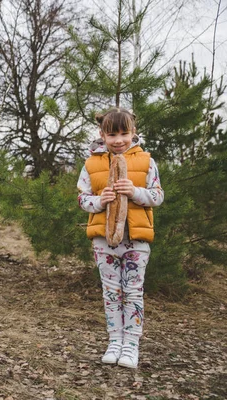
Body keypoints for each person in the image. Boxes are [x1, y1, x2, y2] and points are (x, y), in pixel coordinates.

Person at [77, 107, 164, 369]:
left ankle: (131, 345)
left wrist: (136, 192)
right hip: (104, 241)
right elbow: (82, 198)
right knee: (111, 292)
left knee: (133, 292)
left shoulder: (146, 161)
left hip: (136, 241)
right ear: (102, 134)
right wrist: (99, 201)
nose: (118, 140)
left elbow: (157, 196)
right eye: (112, 134)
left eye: (124, 133)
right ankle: (114, 341)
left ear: (133, 132)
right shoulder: (91, 164)